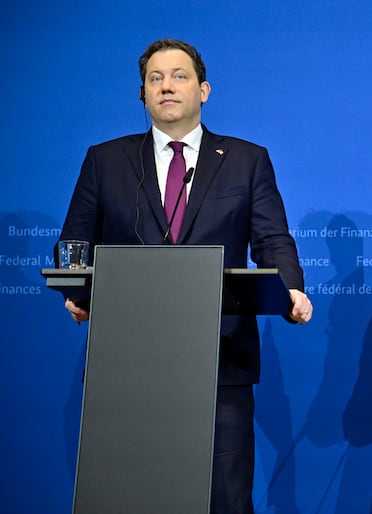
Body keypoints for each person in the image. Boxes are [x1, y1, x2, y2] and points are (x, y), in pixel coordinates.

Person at [57, 38, 313, 513]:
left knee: (224, 499)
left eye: (179, 76)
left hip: (220, 358)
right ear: (143, 95)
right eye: (155, 79)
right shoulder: (105, 160)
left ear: (204, 90)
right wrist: (78, 291)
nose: (166, 86)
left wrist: (290, 287)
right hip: (128, 364)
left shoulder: (245, 160)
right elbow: (75, 244)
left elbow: (272, 238)